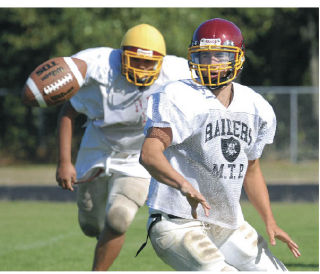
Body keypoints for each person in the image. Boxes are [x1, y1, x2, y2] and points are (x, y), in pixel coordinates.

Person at [139, 18, 301, 271]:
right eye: (204, 55)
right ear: (194, 58)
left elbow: (252, 169)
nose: (212, 62)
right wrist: (184, 185)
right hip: (177, 222)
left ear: (238, 57)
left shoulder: (256, 106)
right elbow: (149, 154)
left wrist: (269, 220)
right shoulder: (178, 95)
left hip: (227, 224)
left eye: (220, 55)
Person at [55, 23, 191, 271]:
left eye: (148, 63)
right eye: (135, 60)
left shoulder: (176, 74)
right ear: (122, 57)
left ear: (161, 63)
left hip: (138, 157)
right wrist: (65, 161)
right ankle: (102, 238)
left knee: (118, 219)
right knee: (90, 226)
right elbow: (68, 112)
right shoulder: (102, 72)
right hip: (97, 150)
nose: (141, 68)